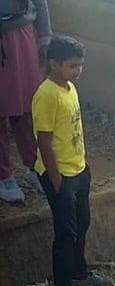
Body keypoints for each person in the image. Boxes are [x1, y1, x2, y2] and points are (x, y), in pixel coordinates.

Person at [33, 36, 114, 286]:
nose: (77, 71)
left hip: (79, 170)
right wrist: (56, 180)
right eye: (72, 66)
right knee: (65, 235)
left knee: (83, 223)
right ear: (53, 64)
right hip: (61, 175)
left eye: (80, 65)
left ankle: (79, 272)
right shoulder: (46, 95)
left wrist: (82, 167)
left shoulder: (70, 88)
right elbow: (44, 141)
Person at [0, 0, 51, 203]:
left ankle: (35, 167)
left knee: (29, 109)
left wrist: (44, 39)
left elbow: (40, 2)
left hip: (23, 36)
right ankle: (4, 176)